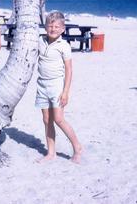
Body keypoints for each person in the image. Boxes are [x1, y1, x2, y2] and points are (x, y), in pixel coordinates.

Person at [35, 11, 82, 164]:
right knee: (47, 120)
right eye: (50, 26)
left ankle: (77, 147)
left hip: (57, 86)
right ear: (45, 27)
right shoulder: (40, 41)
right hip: (41, 85)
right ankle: (51, 153)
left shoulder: (64, 46)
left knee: (59, 119)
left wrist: (65, 92)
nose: (53, 29)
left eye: (56, 26)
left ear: (63, 29)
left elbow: (69, 70)